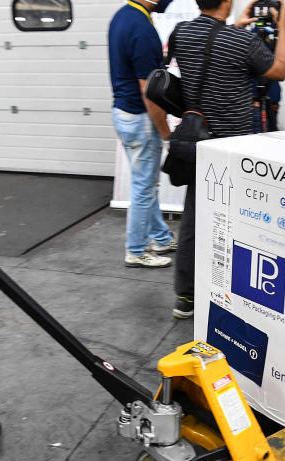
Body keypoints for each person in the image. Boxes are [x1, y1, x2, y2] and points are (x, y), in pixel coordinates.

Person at [168, 0, 285, 319]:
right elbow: (279, 70)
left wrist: (234, 25)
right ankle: (235, 291)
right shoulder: (242, 41)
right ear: (228, 2)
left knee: (194, 217)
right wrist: (280, 25)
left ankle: (187, 296)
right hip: (233, 147)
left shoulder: (182, 32)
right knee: (240, 218)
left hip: (197, 141)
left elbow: (210, 43)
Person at [108, 0, 177, 269]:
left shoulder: (122, 17)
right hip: (140, 118)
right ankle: (135, 251)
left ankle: (160, 238)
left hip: (123, 113)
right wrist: (166, 133)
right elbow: (150, 93)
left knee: (145, 184)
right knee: (144, 188)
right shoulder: (142, 29)